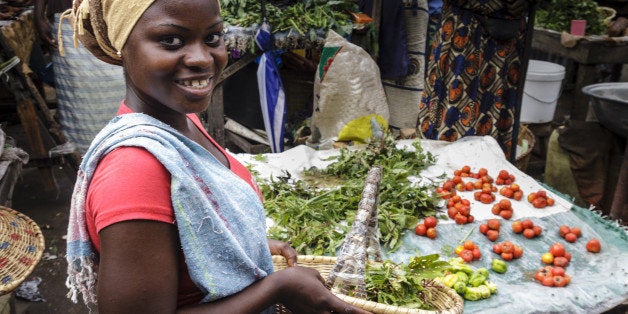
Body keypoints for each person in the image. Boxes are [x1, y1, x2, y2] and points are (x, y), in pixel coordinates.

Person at [62, 0, 372, 313]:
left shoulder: (182, 121)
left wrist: (240, 246)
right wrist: (277, 287)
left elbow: (183, 234)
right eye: (171, 40)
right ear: (122, 47)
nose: (202, 58)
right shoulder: (134, 172)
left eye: (212, 37)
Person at [417, 0, 531, 160]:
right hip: (463, 30)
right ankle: (443, 172)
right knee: (452, 112)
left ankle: (488, 174)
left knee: (496, 113)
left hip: (507, 35)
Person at [34, 0, 125, 155]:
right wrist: (38, 16)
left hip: (114, 15)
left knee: (120, 83)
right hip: (70, 17)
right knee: (79, 93)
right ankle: (83, 157)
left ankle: (123, 147)